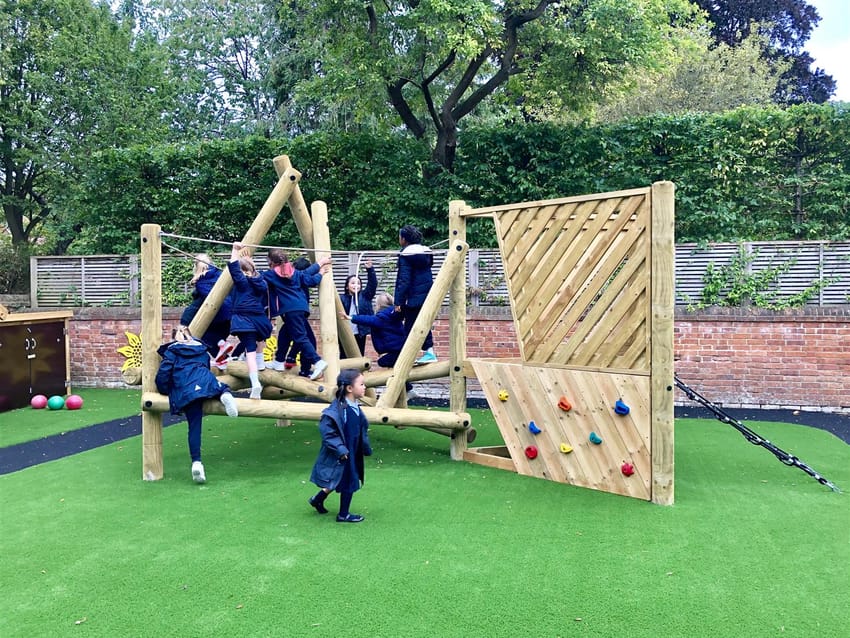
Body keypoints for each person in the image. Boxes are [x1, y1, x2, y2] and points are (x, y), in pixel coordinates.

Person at [155, 326, 239, 484]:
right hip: (204, 379)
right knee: (218, 387)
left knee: (194, 425)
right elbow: (206, 367)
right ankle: (224, 394)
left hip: (185, 387)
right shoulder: (201, 349)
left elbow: (163, 374)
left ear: (175, 339)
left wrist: (165, 390)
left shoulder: (172, 351)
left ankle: (197, 462)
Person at [308, 369, 373, 522]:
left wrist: (364, 447)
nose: (365, 387)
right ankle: (343, 514)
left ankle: (317, 499)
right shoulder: (337, 410)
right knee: (350, 480)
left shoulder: (354, 406)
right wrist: (340, 449)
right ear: (350, 388)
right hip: (344, 452)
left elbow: (360, 429)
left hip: (352, 450)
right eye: (362, 384)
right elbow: (328, 433)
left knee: (340, 478)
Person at [263, 248, 330, 380]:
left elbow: (254, 276)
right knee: (285, 333)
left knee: (300, 337)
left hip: (290, 310)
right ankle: (279, 361)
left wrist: (245, 264)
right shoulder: (295, 272)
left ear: (271, 262)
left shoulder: (271, 275)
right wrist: (320, 270)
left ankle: (318, 361)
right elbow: (310, 280)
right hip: (301, 307)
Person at [227, 242, 274, 399]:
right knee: (260, 340)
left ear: (242, 272)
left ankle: (255, 384)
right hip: (259, 321)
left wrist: (235, 250)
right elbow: (251, 271)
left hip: (244, 320)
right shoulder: (260, 281)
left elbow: (233, 266)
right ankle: (261, 364)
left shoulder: (242, 282)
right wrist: (250, 262)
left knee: (250, 353)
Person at [350, 292, 416, 397]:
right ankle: (407, 389)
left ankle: (409, 388)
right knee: (396, 368)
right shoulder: (394, 314)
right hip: (400, 347)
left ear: (378, 305)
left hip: (394, 349)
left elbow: (368, 320)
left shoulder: (381, 317)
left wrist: (351, 317)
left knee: (382, 362)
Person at [179, 253, 234, 366]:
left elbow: (201, 303)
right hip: (231, 314)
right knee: (215, 338)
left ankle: (222, 346)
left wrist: (184, 322)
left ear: (196, 267)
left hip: (218, 315)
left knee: (202, 336)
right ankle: (223, 358)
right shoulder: (220, 274)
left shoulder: (201, 281)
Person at [394, 224, 437, 364]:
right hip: (427, 295)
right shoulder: (424, 254)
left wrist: (398, 301)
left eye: (400, 237)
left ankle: (408, 358)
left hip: (413, 297)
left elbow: (404, 280)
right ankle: (429, 352)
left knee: (410, 327)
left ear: (404, 239)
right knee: (422, 324)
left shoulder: (406, 255)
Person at [280, 256, 319, 370]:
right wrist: (321, 271)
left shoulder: (291, 277)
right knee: (307, 340)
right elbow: (313, 280)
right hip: (296, 313)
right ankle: (304, 369)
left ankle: (288, 358)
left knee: (291, 335)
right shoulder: (300, 278)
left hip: (289, 313)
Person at [339, 259, 378, 356]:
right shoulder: (341, 298)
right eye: (353, 283)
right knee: (344, 355)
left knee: (359, 355)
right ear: (347, 286)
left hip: (360, 332)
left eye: (358, 283)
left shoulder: (365, 296)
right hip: (345, 333)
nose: (356, 285)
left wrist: (370, 269)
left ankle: (358, 371)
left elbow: (373, 284)